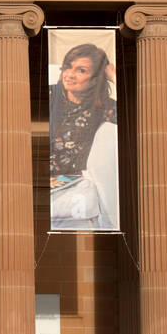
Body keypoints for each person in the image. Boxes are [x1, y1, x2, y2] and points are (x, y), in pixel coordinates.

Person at [50, 43, 118, 231]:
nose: (70, 74)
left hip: (72, 194)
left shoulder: (104, 108)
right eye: (68, 67)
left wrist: (112, 75)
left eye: (81, 70)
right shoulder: (47, 96)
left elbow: (138, 112)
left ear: (96, 79)